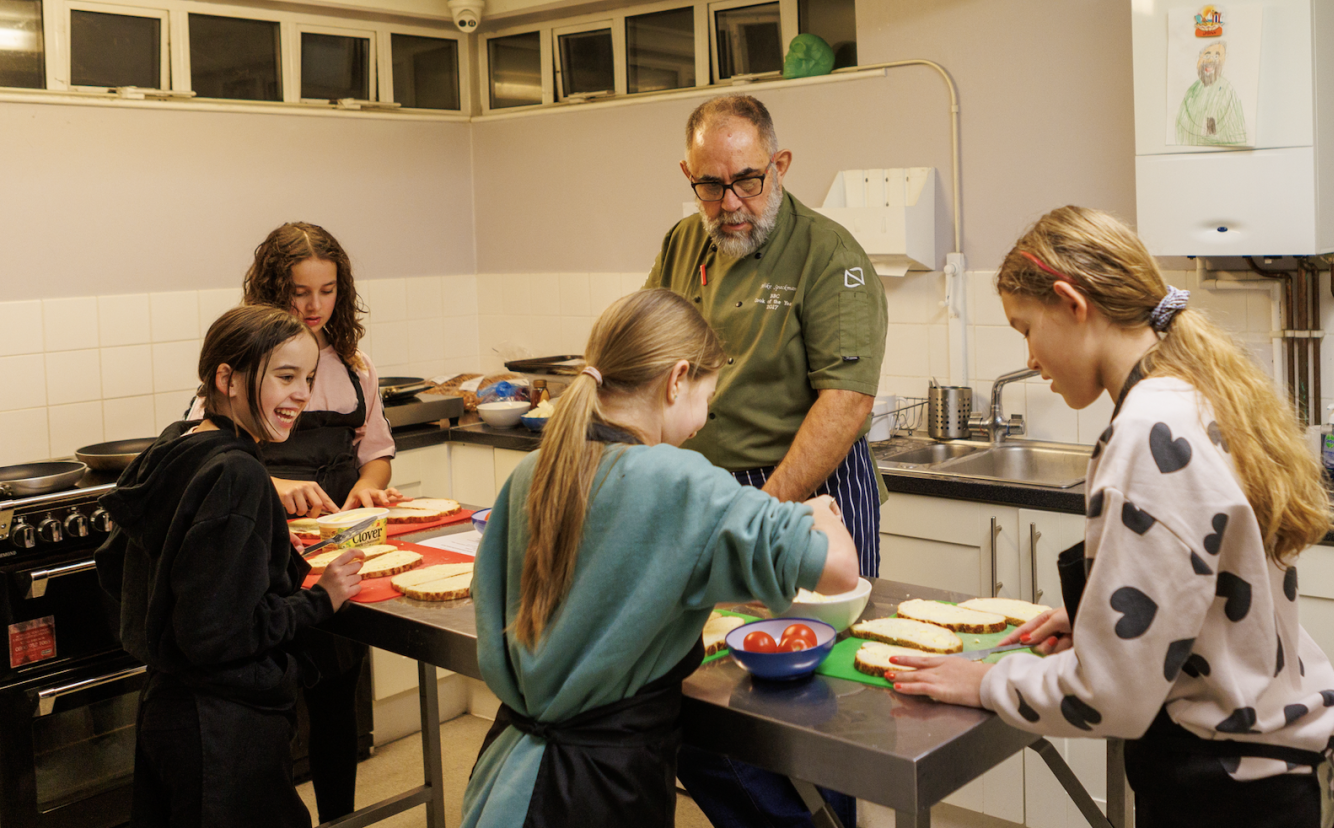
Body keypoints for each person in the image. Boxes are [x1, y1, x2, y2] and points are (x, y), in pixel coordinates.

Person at [887, 206, 1334, 828]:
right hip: (1273, 772)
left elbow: (1113, 697)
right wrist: (1097, 618)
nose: (1031, 357)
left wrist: (983, 682)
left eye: (1026, 328)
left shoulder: (1146, 430)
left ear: (1072, 303)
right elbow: (1207, 586)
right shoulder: (1190, 391)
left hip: (1228, 791)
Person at [461, 289, 859, 828]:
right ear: (676, 380)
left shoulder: (535, 472)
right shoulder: (678, 480)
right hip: (601, 792)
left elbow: (621, 582)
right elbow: (838, 572)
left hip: (505, 778)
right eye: (707, 398)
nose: (703, 421)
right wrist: (821, 514)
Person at [645, 93, 887, 828]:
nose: (731, 203)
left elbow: (844, 401)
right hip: (706, 490)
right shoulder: (682, 244)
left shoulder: (828, 252)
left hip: (805, 493)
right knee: (712, 703)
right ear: (687, 174)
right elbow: (654, 366)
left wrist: (766, 508)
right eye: (710, 186)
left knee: (813, 713)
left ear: (779, 165)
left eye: (747, 180)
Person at [96, 304, 365, 828]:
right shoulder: (238, 475)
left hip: (166, 709)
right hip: (223, 726)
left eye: (308, 378)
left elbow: (116, 571)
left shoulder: (174, 444)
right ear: (228, 378)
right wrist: (321, 598)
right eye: (285, 377)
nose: (302, 395)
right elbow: (217, 633)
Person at [187, 221, 398, 821]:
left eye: (327, 291)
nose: (314, 306)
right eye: (299, 292)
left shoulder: (356, 365)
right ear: (272, 292)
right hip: (265, 549)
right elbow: (204, 449)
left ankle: (337, 816)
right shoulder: (245, 362)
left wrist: (365, 486)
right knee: (273, 699)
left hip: (337, 544)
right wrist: (272, 487)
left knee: (337, 699)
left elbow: (376, 451)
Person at [1176, 41, 1247, 145]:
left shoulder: (1227, 91)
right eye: (1207, 55)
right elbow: (1181, 127)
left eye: (1216, 56)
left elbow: (1237, 137)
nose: (1210, 60)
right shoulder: (1192, 91)